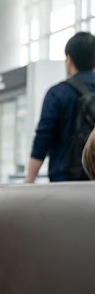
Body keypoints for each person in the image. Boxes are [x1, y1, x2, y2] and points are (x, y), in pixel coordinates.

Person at [27, 31, 95, 182]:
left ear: (69, 60)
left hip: (65, 179)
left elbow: (43, 138)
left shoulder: (57, 93)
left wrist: (29, 180)